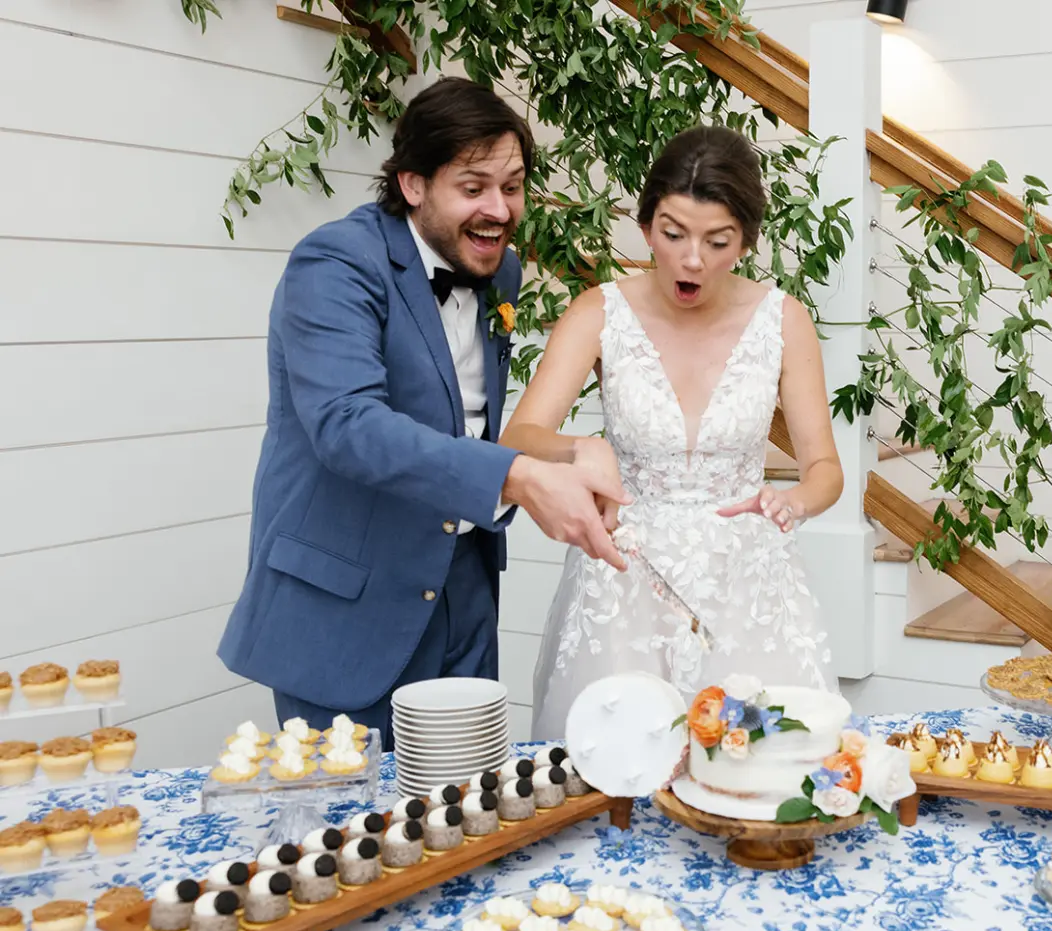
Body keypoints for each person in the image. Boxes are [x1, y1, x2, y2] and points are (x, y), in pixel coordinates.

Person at [218, 78, 626, 751]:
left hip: (463, 589)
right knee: (354, 840)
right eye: (474, 188)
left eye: (513, 186)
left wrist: (573, 451)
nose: (499, 209)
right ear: (413, 185)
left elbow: (462, 420)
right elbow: (347, 426)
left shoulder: (502, 272)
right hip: (347, 603)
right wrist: (520, 476)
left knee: (462, 812)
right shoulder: (335, 262)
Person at [503, 125, 843, 740]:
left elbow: (825, 470)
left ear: (744, 241)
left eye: (717, 241)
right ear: (645, 227)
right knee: (614, 779)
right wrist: (584, 447)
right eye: (673, 234)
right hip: (624, 580)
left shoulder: (782, 321)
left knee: (755, 773)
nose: (692, 260)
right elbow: (518, 437)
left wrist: (791, 500)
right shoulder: (598, 312)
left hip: (748, 588)